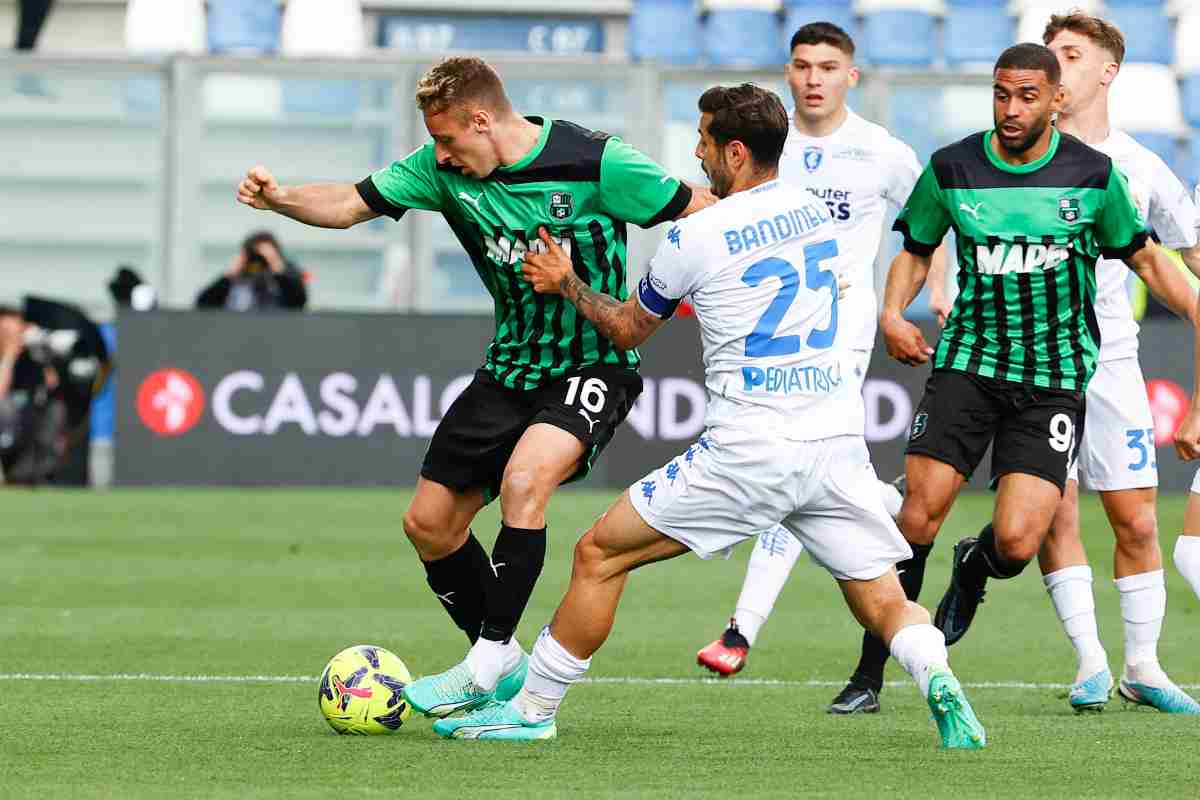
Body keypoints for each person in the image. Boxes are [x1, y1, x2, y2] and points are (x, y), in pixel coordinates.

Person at [431, 83, 986, 749]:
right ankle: (937, 676)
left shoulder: (695, 235)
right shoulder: (817, 214)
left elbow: (628, 330)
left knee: (599, 553)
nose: (696, 154)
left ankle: (531, 710)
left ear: (736, 151)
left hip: (749, 450)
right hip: (835, 446)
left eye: (703, 142)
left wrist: (566, 281)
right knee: (884, 598)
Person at [236, 57, 711, 716]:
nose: (439, 154)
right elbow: (348, 204)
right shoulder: (442, 171)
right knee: (429, 524)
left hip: (593, 364)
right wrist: (279, 198)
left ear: (482, 121)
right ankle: (504, 656)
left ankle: (484, 662)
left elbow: (705, 212)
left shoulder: (596, 162)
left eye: (448, 138)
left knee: (525, 480)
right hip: (509, 369)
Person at [870, 43, 1200, 712]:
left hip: (1059, 373)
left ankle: (981, 567)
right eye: (1001, 94)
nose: (1011, 108)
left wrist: (1195, 315)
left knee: (1028, 539)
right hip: (970, 363)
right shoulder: (954, 166)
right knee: (920, 513)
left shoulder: (1099, 174)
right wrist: (891, 312)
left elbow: (1156, 263)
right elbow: (916, 248)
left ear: (1056, 100)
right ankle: (881, 668)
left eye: (1026, 96)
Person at [692, 23, 949, 716]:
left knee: (793, 466)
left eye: (828, 67)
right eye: (803, 65)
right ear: (788, 71)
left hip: (839, 333)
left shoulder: (880, 151)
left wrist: (926, 297)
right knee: (814, 471)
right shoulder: (762, 144)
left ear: (850, 76)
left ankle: (742, 628)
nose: (814, 78)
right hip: (760, 331)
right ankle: (887, 504)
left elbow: (934, 220)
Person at [1032, 13, 1200, 714]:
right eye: (1049, 55)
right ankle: (1090, 662)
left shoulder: (1141, 167)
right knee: (1053, 511)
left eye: (1071, 55)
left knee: (1137, 520)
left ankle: (1143, 666)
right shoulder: (1016, 159)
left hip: (1114, 363)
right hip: (1035, 364)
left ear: (1108, 71)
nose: (1055, 68)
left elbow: (1193, 264)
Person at [195, 231, 307, 311]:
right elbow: (203, 304)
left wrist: (277, 268)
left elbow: (299, 301)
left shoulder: (283, 279)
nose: (258, 261)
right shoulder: (235, 280)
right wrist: (229, 276)